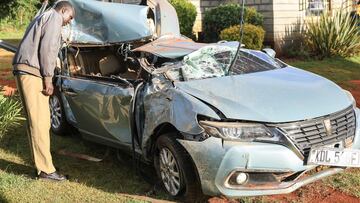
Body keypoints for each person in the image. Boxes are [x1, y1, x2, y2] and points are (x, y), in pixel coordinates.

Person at [12, 1, 75, 181]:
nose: (69, 22)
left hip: (24, 70)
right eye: (70, 17)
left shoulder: (43, 15)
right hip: (32, 73)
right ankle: (46, 170)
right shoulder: (54, 18)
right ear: (63, 10)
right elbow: (48, 49)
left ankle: (42, 166)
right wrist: (48, 79)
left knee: (36, 122)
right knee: (40, 122)